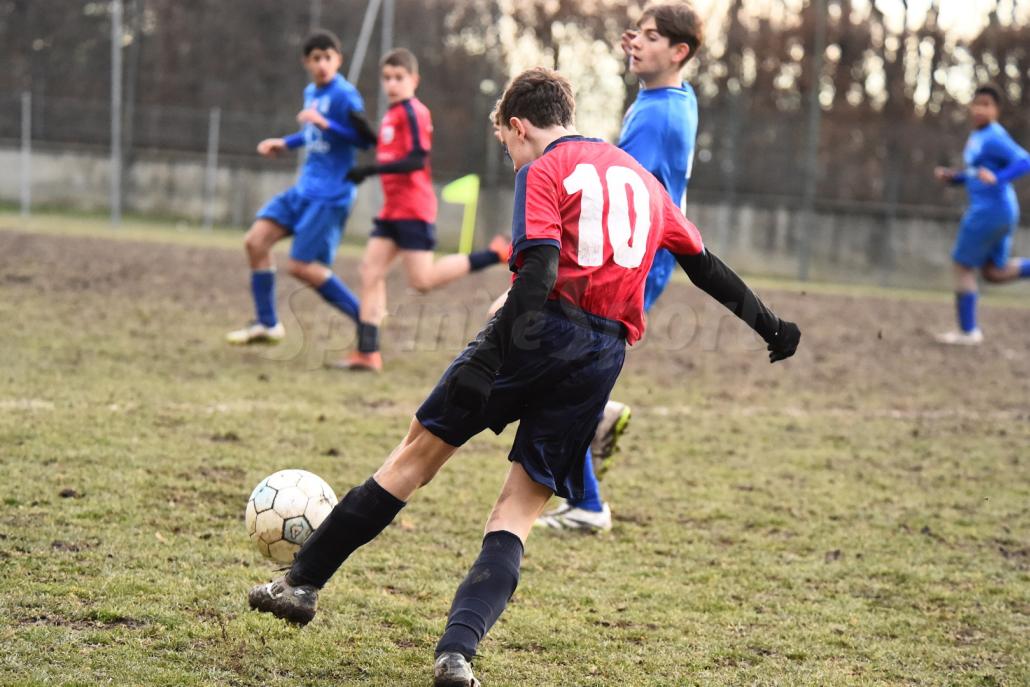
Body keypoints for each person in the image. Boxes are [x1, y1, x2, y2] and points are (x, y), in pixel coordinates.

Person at [247, 68, 800, 687]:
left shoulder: (544, 170)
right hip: (602, 355)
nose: (510, 157)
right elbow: (705, 265)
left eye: (506, 145)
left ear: (518, 126)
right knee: (517, 511)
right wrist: (771, 325)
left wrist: (488, 359)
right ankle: (456, 655)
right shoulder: (643, 180)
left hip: (532, 334)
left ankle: (300, 584)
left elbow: (538, 273)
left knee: (413, 460)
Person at [536, 2, 703, 531]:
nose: (636, 42)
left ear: (679, 52)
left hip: (633, 258)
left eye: (652, 38)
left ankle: (587, 505)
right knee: (566, 371)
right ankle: (597, 425)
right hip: (646, 255)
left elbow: (621, 188)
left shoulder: (656, 115)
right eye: (638, 34)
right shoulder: (672, 96)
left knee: (559, 376)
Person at [335, 48, 510, 372]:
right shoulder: (391, 115)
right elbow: (390, 150)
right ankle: (368, 352)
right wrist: (365, 130)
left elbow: (415, 159)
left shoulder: (415, 112)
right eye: (387, 78)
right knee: (369, 271)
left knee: (422, 280)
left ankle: (495, 253)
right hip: (392, 210)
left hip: (413, 209)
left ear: (413, 80)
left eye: (399, 77)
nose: (392, 83)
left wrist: (370, 170)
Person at [226, 30, 373, 346]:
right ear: (306, 62)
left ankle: (366, 319)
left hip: (330, 194)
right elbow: (311, 135)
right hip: (304, 189)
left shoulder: (345, 95)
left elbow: (364, 140)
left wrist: (326, 123)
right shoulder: (311, 92)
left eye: (328, 58)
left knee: (301, 266)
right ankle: (267, 324)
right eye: (316, 59)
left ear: (338, 60)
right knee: (255, 242)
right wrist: (285, 143)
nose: (322, 64)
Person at [934, 83, 1030, 346]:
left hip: (988, 211)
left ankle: (968, 332)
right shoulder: (977, 136)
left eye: (986, 105)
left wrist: (999, 177)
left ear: (997, 110)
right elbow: (977, 173)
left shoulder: (994, 135)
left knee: (962, 266)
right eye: (976, 104)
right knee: (993, 272)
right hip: (1002, 210)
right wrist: (955, 179)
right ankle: (968, 331)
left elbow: (1025, 160)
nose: (979, 110)